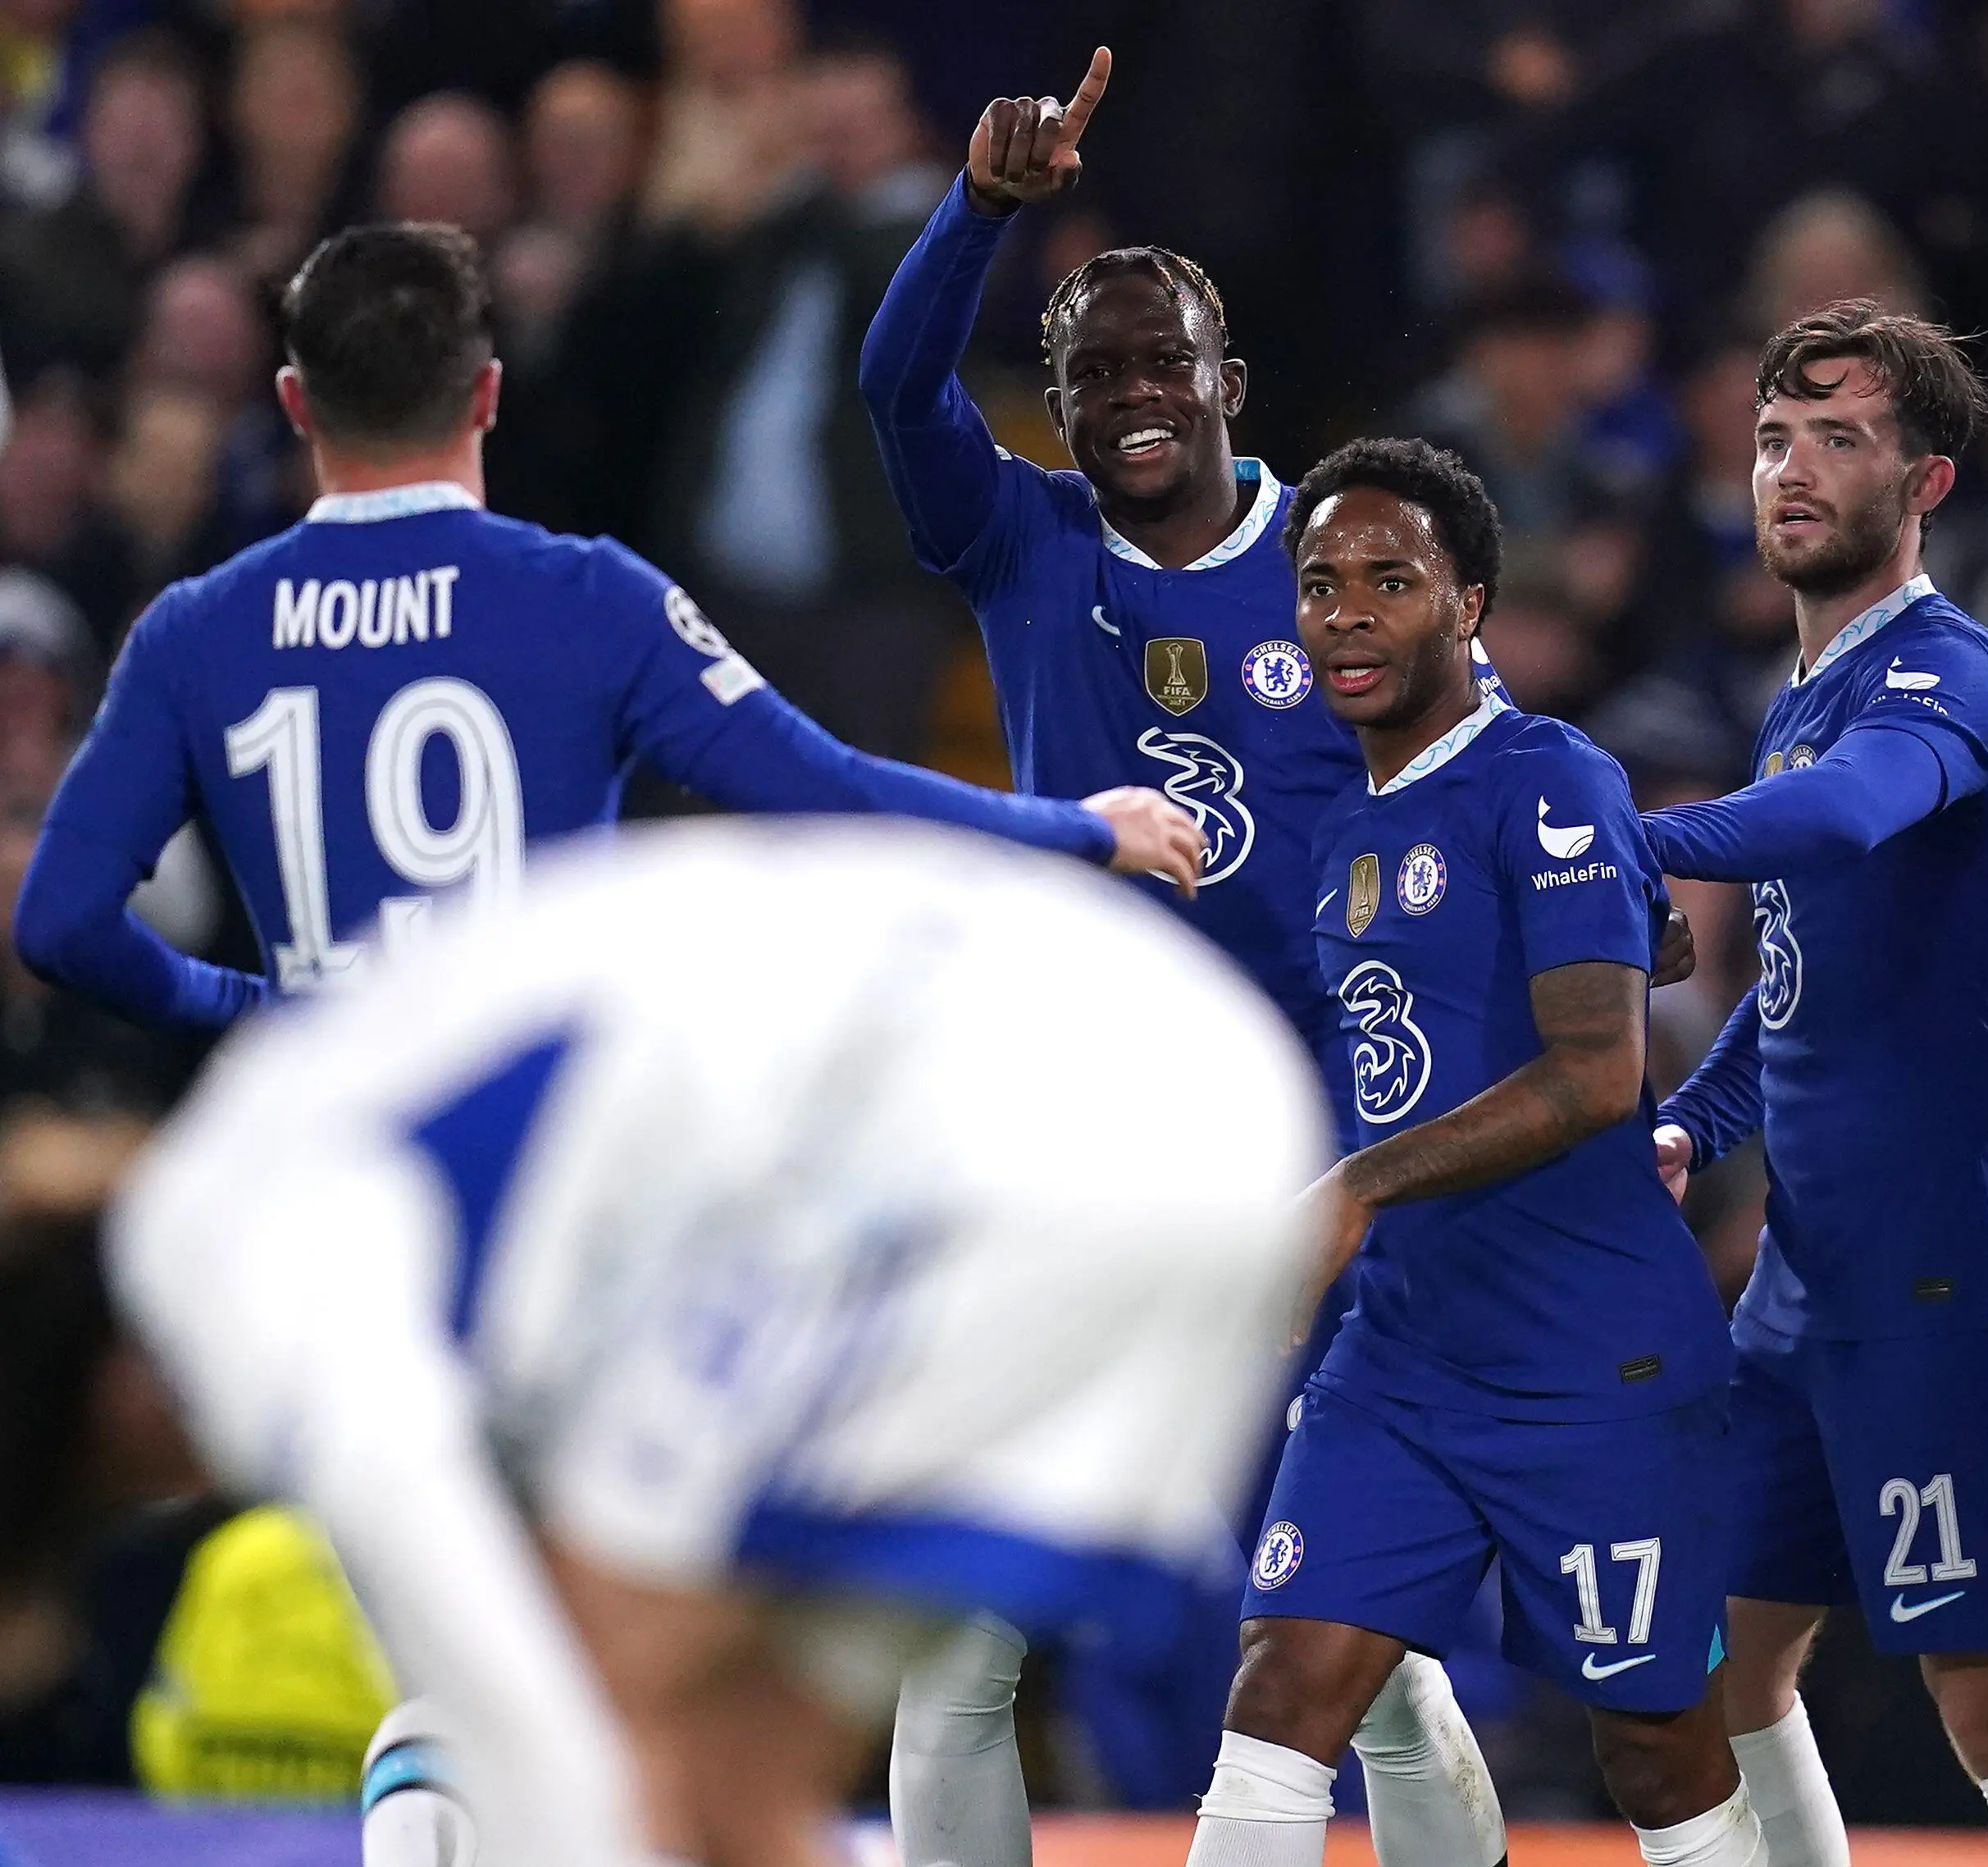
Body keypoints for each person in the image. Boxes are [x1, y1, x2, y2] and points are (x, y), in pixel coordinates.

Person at [69, 817, 1329, 1867]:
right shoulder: (296, 1124)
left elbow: (488, 1654)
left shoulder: (211, 1248)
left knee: (613, 1711)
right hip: (1210, 1099)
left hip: (1015, 1140)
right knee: (728, 1781)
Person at [860, 52, 1512, 1867]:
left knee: (1350, 1640)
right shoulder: (1022, 536)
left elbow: (1500, 787)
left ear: (1234, 384)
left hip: (1317, 1163)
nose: (1136, 398)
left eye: (1168, 365)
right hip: (1082, 1146)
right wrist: (979, 212)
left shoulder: (1348, 558)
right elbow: (893, 382)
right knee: (965, 1634)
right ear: (1054, 405)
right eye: (1095, 375)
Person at [11, 223, 1201, 1032]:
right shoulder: (590, 596)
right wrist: (1077, 830)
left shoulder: (193, 628)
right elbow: (827, 794)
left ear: (291, 405)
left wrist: (252, 1012)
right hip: (541, 1157)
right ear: (485, 393)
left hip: (333, 1173)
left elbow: (61, 924)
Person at [1185, 440, 1758, 1867]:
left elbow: (1594, 1072)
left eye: (1391, 580)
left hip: (1595, 1365)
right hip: (1404, 1359)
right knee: (1281, 1695)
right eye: (1320, 585)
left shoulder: (1549, 776)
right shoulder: (1341, 830)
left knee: (1654, 1751)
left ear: (1469, 606)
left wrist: (1356, 1189)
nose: (1348, 613)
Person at [1641, 303, 1988, 1867]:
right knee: (1721, 1662)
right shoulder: (1804, 692)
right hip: (1807, 1276)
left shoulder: (1945, 677)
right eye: (1775, 436)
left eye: (1839, 440)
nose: (1791, 468)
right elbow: (1797, 980)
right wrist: (1695, 1120)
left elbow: (1843, 823)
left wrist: (1632, 838)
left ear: (1927, 485)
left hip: (1949, 1269)